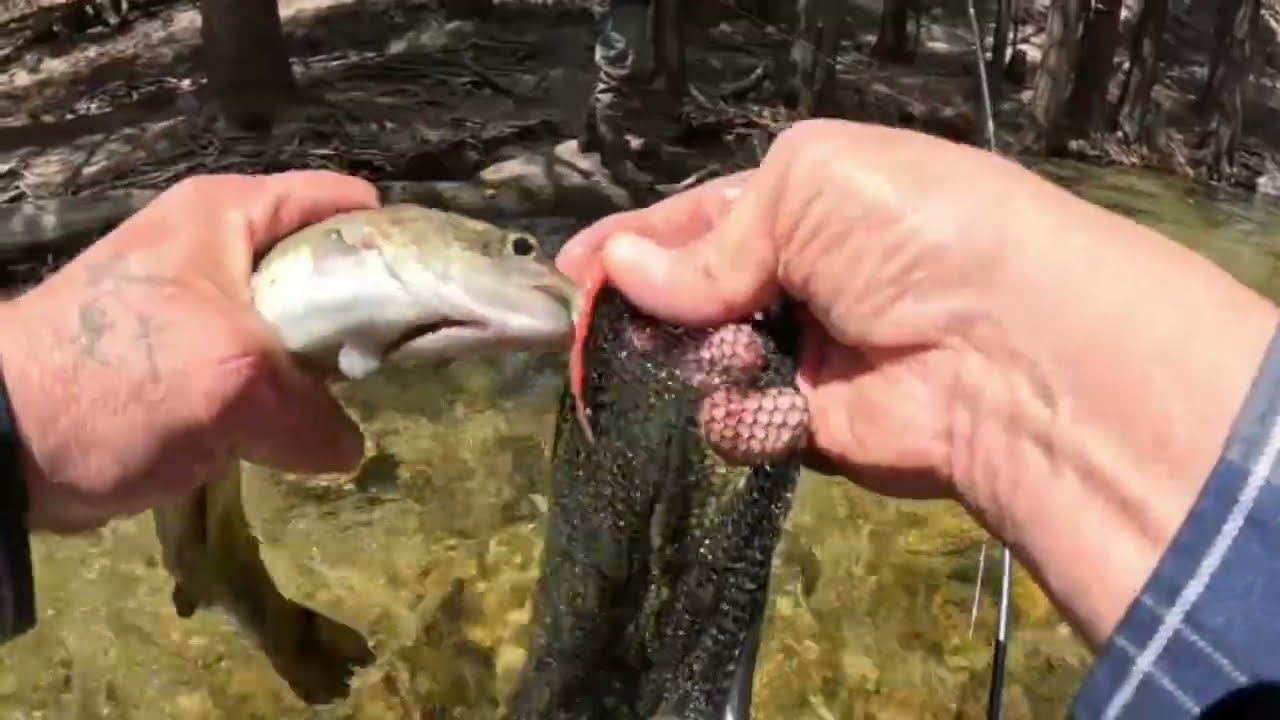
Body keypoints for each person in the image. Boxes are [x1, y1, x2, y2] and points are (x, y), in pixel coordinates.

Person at [0, 119, 1274, 717]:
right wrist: (30, 405)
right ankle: (223, 574)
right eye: (510, 245)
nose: (533, 271)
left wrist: (995, 366)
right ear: (383, 243)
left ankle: (233, 582)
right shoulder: (368, 254)